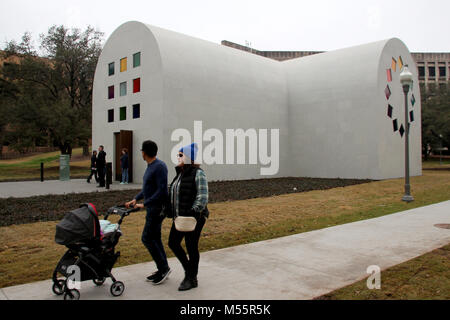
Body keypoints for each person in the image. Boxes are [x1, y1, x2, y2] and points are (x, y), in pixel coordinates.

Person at [125, 140, 171, 285]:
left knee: (147, 238)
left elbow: (162, 191)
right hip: (152, 208)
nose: (142, 154)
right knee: (154, 238)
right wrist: (136, 199)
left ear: (145, 152)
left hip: (157, 209)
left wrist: (144, 203)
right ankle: (163, 268)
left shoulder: (160, 167)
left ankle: (163, 268)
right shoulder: (151, 166)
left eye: (142, 151)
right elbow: (148, 188)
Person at [166, 142, 209, 291]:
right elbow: (173, 194)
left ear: (189, 157)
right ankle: (189, 272)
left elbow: (203, 196)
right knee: (173, 243)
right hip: (180, 217)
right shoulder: (180, 174)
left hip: (193, 218)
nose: (178, 157)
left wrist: (194, 212)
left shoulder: (198, 173)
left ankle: (191, 278)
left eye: (180, 155)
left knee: (191, 246)